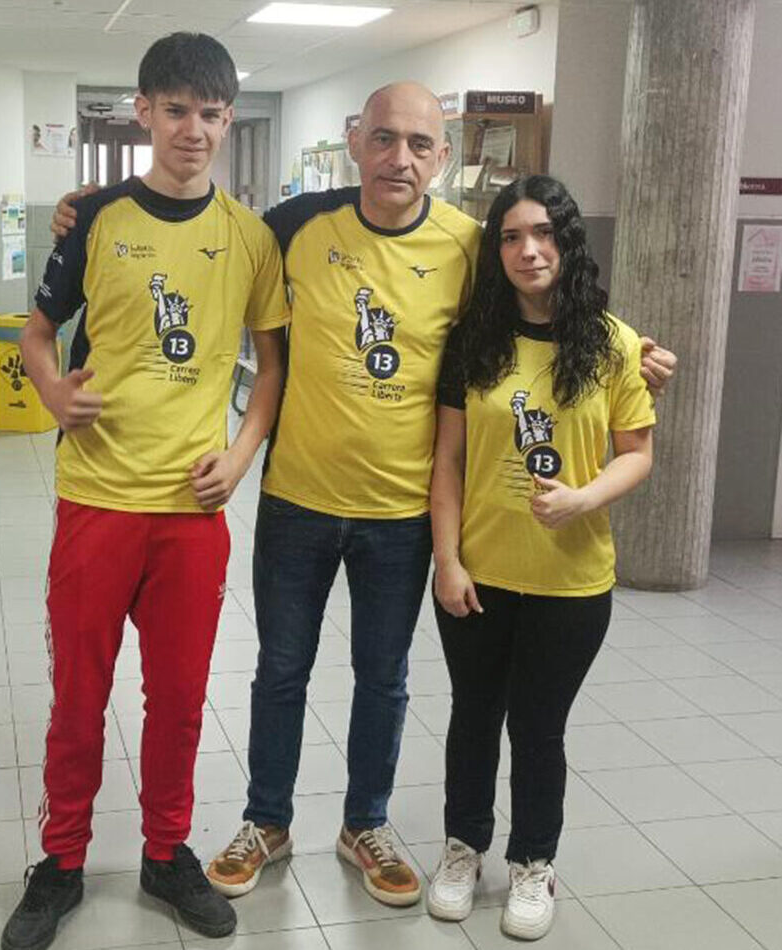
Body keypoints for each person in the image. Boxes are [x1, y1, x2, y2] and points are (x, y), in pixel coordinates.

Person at [50, 83, 677, 910]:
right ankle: (266, 820)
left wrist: (634, 350)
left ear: (443, 158)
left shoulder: (466, 245)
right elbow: (194, 216)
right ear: (355, 141)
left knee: (382, 679)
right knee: (278, 671)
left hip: (401, 513)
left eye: (420, 145)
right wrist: (87, 205)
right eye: (384, 139)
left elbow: (547, 295)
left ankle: (364, 824)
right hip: (296, 501)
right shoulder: (294, 225)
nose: (401, 158)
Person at [1, 33, 289, 950]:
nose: (193, 131)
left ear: (227, 119)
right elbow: (38, 333)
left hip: (192, 515)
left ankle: (168, 853)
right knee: (79, 697)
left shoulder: (249, 235)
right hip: (95, 500)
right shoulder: (92, 218)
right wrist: (48, 387)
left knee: (179, 697)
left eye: (210, 114)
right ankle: (61, 862)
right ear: (143, 113)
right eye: (175, 111)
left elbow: (271, 365)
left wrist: (241, 455)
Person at [427, 175, 655, 939]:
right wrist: (446, 561)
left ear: (566, 242)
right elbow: (448, 460)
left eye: (544, 234)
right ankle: (463, 848)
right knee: (472, 717)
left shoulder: (614, 343)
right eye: (512, 237)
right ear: (495, 251)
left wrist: (584, 499)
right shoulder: (474, 340)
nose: (529, 251)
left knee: (538, 726)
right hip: (480, 575)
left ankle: (533, 863)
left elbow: (636, 452)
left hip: (571, 580)